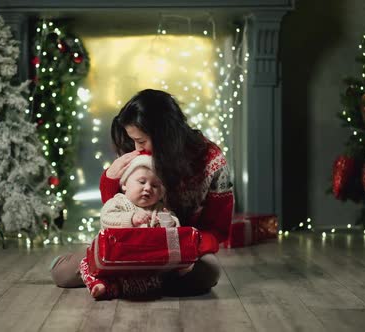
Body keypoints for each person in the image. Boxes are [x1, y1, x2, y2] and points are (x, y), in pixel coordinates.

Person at [51, 88, 234, 296]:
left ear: (164, 136)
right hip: (131, 247)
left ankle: (128, 284)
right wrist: (110, 177)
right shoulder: (140, 154)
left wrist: (189, 247)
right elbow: (116, 208)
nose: (138, 149)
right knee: (63, 273)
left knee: (209, 272)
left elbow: (217, 230)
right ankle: (141, 282)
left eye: (141, 141)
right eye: (134, 142)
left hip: (177, 253)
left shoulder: (212, 161)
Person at [79, 153, 181, 299]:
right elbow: (107, 218)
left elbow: (175, 232)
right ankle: (100, 284)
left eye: (155, 185)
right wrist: (131, 219)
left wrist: (168, 222)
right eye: (141, 181)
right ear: (125, 184)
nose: (148, 188)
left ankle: (120, 288)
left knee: (158, 276)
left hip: (144, 263)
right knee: (87, 263)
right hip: (115, 258)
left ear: (161, 193)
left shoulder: (159, 209)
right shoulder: (119, 202)